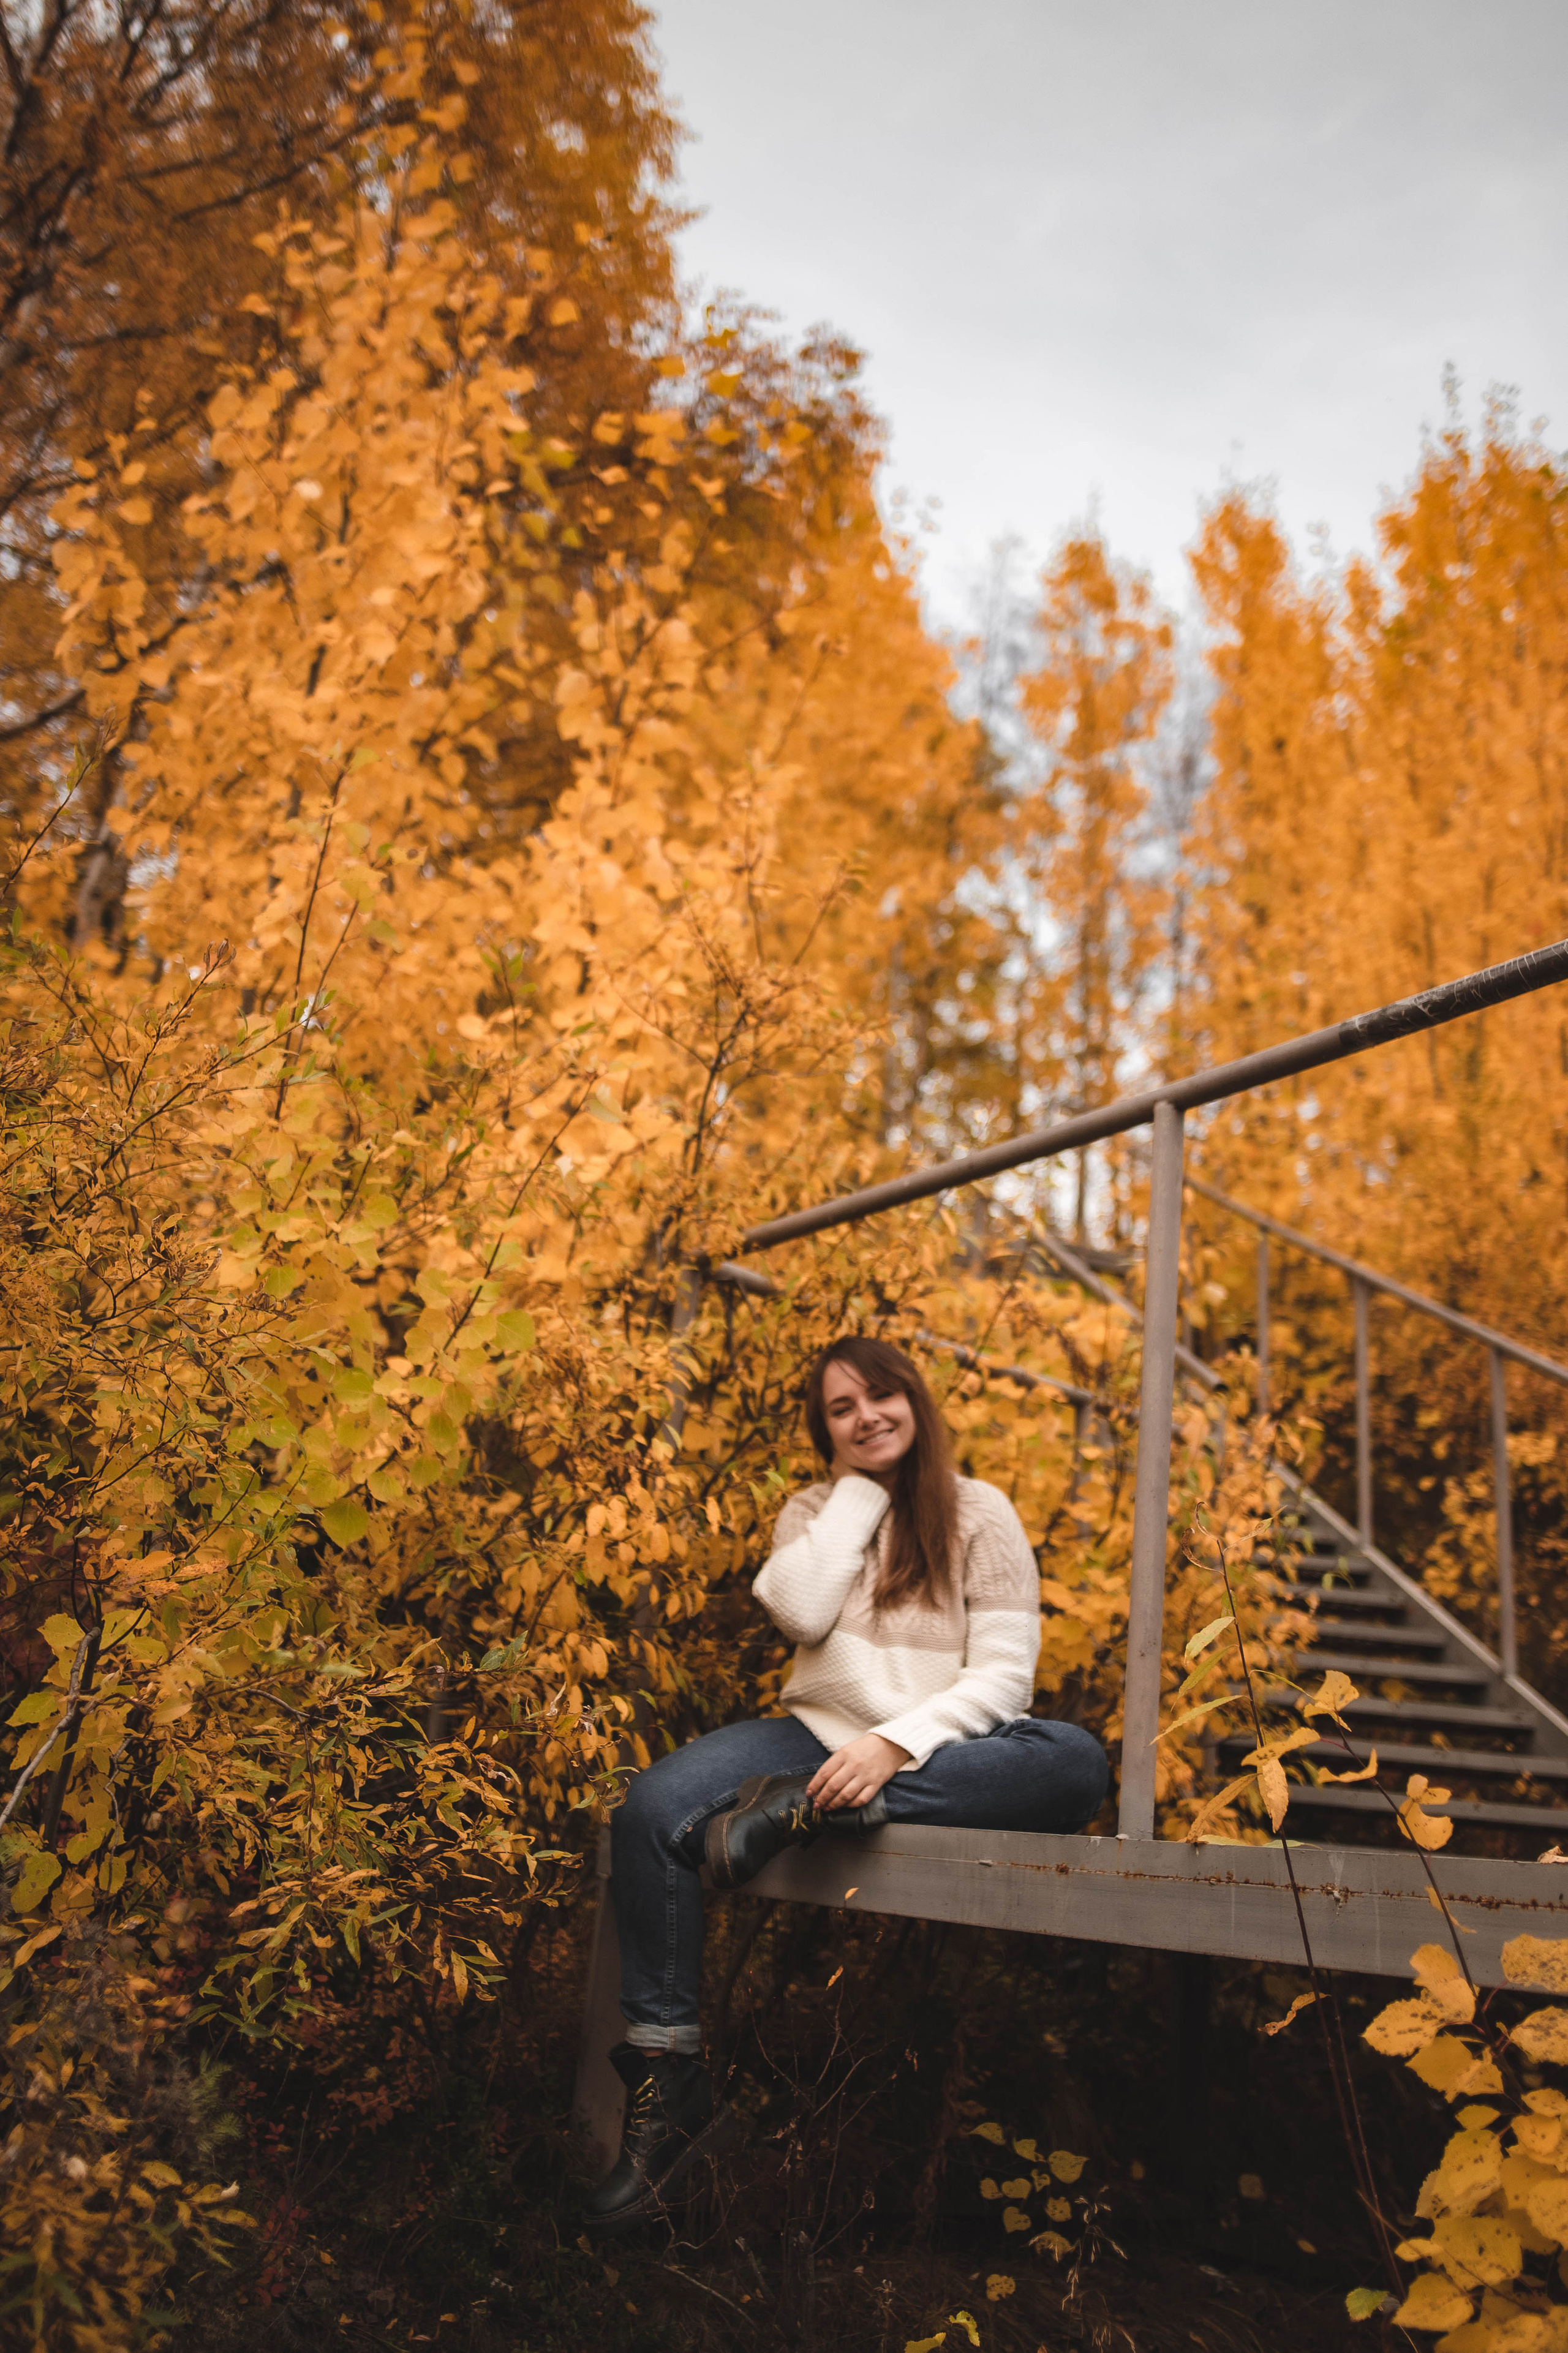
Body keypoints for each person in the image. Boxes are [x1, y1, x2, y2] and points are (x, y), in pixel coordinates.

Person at [584, 1334, 1109, 2232]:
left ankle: (804, 1806)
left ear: (916, 1397)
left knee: (1074, 1760)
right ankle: (669, 2080)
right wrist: (859, 1490)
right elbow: (799, 1608)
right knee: (650, 1808)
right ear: (825, 1429)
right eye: (842, 1407)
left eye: (882, 1395)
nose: (868, 1414)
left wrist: (894, 1750)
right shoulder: (813, 1512)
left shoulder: (981, 1511)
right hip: (811, 1734)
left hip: (941, 1747)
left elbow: (1003, 1682)